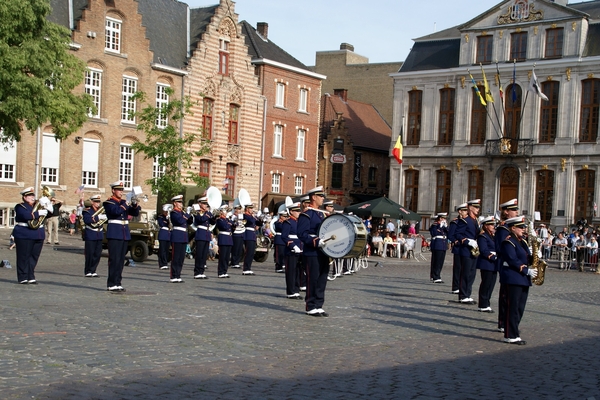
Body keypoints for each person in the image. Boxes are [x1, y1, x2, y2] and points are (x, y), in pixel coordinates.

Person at [499, 216, 537, 345]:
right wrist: (526, 271)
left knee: (520, 307)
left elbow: (527, 259)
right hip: (513, 277)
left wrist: (535, 255)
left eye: (524, 227)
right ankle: (510, 335)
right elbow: (512, 259)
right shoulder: (508, 242)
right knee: (513, 307)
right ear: (513, 228)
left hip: (522, 279)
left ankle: (514, 331)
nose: (523, 229)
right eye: (521, 227)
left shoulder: (522, 242)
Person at [298, 186, 330, 317]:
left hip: (323, 251)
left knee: (322, 278)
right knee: (313, 279)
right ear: (313, 197)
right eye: (320, 196)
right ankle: (311, 305)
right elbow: (302, 233)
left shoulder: (321, 214)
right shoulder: (307, 214)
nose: (323, 198)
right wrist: (316, 242)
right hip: (312, 252)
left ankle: (318, 304)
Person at [103, 181, 141, 291]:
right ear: (113, 191)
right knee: (114, 259)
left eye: (122, 190)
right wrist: (126, 204)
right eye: (119, 190)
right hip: (115, 233)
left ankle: (118, 282)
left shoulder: (124, 202)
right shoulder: (109, 203)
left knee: (120, 260)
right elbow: (116, 211)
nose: (121, 192)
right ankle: (111, 283)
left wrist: (134, 204)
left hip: (124, 233)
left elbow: (135, 213)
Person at [13, 187, 49, 284]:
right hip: (25, 234)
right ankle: (22, 277)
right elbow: (25, 215)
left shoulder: (39, 205)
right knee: (23, 256)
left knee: (34, 257)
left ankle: (30, 275)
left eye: (33, 195)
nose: (32, 197)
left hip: (38, 234)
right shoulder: (20, 206)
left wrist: (48, 205)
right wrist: (38, 213)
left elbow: (50, 214)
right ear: (25, 197)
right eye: (29, 196)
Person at [495, 198, 519, 332]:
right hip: (506, 264)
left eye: (516, 210)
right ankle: (503, 322)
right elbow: (500, 247)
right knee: (505, 295)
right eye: (513, 210)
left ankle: (506, 321)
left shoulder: (510, 228)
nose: (516, 212)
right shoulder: (503, 229)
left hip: (512, 263)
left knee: (510, 295)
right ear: (506, 211)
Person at [455, 199, 481, 304]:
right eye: (476, 207)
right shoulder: (465, 220)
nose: (478, 209)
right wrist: (467, 241)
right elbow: (457, 234)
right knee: (465, 273)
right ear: (470, 208)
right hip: (466, 250)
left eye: (478, 207)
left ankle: (467, 294)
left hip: (474, 251)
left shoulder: (476, 221)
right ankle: (463, 295)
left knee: (472, 274)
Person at [281, 201, 303, 299]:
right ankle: (290, 291)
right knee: (291, 271)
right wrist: (293, 246)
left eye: (299, 211)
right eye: (297, 211)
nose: (299, 213)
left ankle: (296, 290)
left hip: (300, 248)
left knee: (299, 271)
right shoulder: (288, 222)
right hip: (291, 250)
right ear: (291, 212)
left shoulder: (299, 222)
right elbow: (284, 236)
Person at [82, 194, 106, 277]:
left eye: (99, 201)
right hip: (91, 233)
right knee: (90, 253)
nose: (98, 203)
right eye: (96, 201)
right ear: (92, 202)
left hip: (99, 234)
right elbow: (87, 220)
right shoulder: (87, 210)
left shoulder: (102, 210)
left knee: (97, 254)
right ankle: (88, 270)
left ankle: (93, 270)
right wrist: (98, 217)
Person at [476, 216, 497, 312]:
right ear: (486, 226)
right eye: (491, 224)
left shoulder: (492, 236)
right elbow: (484, 250)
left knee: (491, 284)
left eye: (493, 224)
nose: (493, 226)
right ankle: (482, 304)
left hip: (494, 263)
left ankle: (486, 302)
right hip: (487, 262)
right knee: (486, 283)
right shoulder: (482, 236)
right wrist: (493, 257)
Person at [169, 195, 192, 283]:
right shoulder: (174, 213)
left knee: (181, 258)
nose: (181, 204)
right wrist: (186, 215)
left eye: (181, 202)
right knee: (175, 257)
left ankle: (178, 275)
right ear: (175, 203)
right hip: (177, 235)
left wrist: (190, 215)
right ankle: (173, 275)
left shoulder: (182, 213)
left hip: (183, 236)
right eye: (179, 202)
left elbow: (190, 222)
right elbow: (179, 221)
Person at [448, 203, 467, 294]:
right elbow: (450, 235)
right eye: (464, 210)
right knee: (458, 268)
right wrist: (455, 241)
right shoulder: (455, 222)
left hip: (466, 248)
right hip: (459, 248)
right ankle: (456, 286)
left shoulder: (468, 222)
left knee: (465, 268)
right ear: (460, 211)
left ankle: (462, 286)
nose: (466, 212)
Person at [193, 196, 213, 280]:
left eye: (206, 204)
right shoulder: (197, 211)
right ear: (200, 204)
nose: (206, 206)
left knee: (204, 255)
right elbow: (200, 220)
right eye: (204, 204)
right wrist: (208, 214)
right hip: (200, 233)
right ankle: (197, 272)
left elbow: (211, 222)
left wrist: (214, 217)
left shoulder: (206, 213)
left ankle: (201, 271)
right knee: (199, 254)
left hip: (206, 234)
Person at [242, 203, 261, 275]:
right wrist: (254, 217)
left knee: (251, 252)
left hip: (252, 234)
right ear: (247, 209)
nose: (252, 210)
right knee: (248, 252)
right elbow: (250, 221)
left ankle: (248, 268)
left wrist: (259, 221)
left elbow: (259, 223)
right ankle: (245, 268)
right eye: (250, 208)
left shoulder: (252, 216)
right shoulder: (245, 215)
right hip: (248, 234)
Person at [429, 213, 448, 283]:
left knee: (441, 261)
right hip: (437, 244)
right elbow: (434, 233)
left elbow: (448, 232)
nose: (444, 220)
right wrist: (439, 226)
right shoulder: (435, 225)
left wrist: (445, 227)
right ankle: (435, 276)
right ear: (440, 218)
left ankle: (437, 275)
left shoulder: (444, 226)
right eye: (443, 218)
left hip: (443, 245)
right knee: (436, 261)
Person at [215, 205, 233, 278]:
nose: (226, 213)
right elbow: (225, 227)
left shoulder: (227, 220)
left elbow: (232, 227)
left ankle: (225, 271)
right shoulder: (220, 220)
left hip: (228, 239)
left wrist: (231, 223)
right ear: (221, 212)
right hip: (223, 238)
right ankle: (220, 272)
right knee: (222, 257)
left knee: (227, 257)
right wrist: (230, 223)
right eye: (225, 211)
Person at [230, 202, 244, 269]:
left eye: (239, 209)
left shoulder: (241, 216)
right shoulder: (233, 216)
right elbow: (232, 224)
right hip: (235, 233)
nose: (238, 210)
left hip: (241, 233)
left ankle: (237, 262)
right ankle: (234, 262)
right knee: (235, 249)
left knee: (240, 249)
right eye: (237, 209)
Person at [157, 204, 171, 270]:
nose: (166, 213)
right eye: (166, 211)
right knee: (162, 250)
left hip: (168, 235)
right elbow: (162, 224)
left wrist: (169, 219)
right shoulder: (160, 217)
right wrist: (166, 219)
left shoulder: (169, 217)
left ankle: (165, 263)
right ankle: (161, 263)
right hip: (163, 234)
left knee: (166, 250)